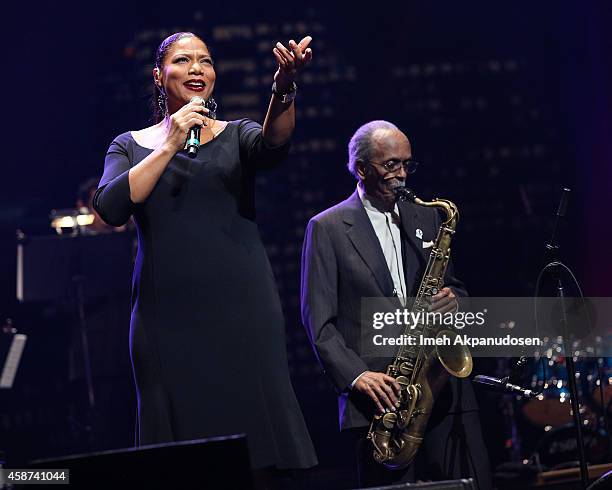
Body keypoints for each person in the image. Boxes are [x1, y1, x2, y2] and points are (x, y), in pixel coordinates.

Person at [93, 31, 317, 472]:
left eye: (205, 61)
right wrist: (172, 142)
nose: (197, 68)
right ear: (158, 76)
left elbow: (274, 144)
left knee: (259, 440)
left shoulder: (238, 135)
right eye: (183, 60)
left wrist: (284, 87)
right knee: (183, 455)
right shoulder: (130, 144)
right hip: (166, 316)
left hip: (242, 307)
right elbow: (112, 207)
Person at [301, 120, 491, 488]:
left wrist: (454, 303)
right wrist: (357, 376)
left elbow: (457, 289)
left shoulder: (430, 216)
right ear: (361, 168)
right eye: (391, 165)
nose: (402, 175)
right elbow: (318, 323)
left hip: (442, 392)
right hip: (381, 405)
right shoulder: (327, 227)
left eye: (407, 164)